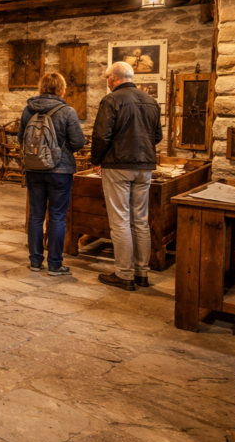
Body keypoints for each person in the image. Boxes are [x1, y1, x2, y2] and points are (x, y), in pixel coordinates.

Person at [91, 61, 163, 290]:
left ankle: (124, 274)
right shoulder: (151, 101)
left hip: (118, 165)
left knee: (120, 220)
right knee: (140, 220)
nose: (107, 82)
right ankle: (142, 273)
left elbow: (101, 135)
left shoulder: (111, 99)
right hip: (145, 166)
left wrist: (96, 160)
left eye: (107, 79)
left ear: (113, 78)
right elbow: (157, 136)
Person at [18, 72, 86, 276]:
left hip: (33, 169)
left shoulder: (27, 110)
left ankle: (35, 262)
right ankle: (55, 264)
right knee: (57, 216)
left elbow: (22, 138)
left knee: (36, 215)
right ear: (61, 88)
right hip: (60, 170)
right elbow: (78, 142)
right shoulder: (67, 111)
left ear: (41, 87)